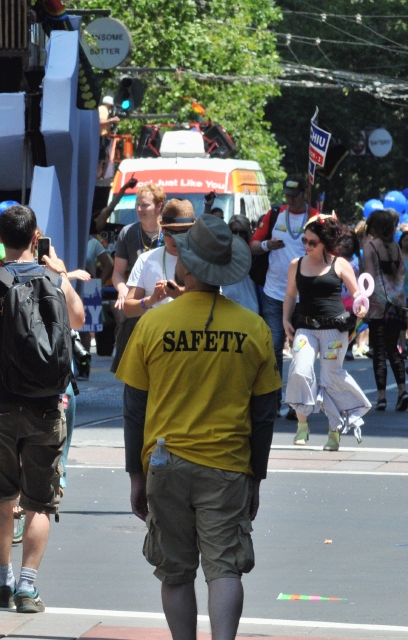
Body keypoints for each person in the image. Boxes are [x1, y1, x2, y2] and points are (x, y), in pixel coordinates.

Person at [117, 216, 279, 640]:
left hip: (166, 464)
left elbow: (134, 408)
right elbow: (264, 414)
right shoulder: (253, 328)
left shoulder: (152, 325)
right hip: (227, 466)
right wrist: (255, 478)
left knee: (175, 571)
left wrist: (136, 474)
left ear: (187, 267)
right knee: (224, 568)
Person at [0, 205, 85, 613]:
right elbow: (79, 321)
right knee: (39, 501)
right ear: (35, 237)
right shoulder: (55, 279)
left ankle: (3, 579)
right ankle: (28, 587)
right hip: (47, 404)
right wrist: (61, 274)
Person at [283, 216, 371, 450]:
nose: (307, 246)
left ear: (325, 243)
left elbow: (356, 294)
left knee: (330, 378)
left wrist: (360, 306)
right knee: (300, 370)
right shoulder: (296, 264)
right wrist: (285, 319)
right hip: (306, 327)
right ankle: (302, 424)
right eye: (305, 241)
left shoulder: (339, 264)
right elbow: (291, 295)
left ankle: (334, 429)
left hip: (334, 329)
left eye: (312, 242)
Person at [250, 173, 318, 379]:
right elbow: (252, 246)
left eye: (295, 195)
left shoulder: (315, 216)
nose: (290, 199)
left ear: (305, 192)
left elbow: (331, 252)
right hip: (275, 294)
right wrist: (266, 245)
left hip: (304, 295)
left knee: (302, 351)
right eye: (287, 195)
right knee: (273, 347)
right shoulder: (274, 214)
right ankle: (274, 399)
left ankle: (297, 403)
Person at [111, 182, 165, 371]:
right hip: (138, 303)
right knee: (131, 367)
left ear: (159, 207)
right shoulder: (128, 233)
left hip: (164, 305)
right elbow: (117, 273)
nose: (139, 209)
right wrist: (122, 288)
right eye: (138, 205)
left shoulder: (169, 232)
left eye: (145, 205)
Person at [361, 209, 407, 411]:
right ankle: (402, 390)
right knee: (393, 349)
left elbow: (370, 278)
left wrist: (364, 302)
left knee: (379, 351)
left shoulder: (371, 246)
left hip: (379, 306)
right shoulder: (396, 247)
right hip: (397, 305)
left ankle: (381, 398)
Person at [122, 200, 195, 319]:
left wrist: (181, 294)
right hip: (159, 333)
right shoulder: (146, 259)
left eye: (182, 232)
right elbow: (128, 309)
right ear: (163, 230)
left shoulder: (203, 259)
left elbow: (215, 301)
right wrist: (151, 300)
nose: (175, 239)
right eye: (170, 232)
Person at [221, 216, 261, 314]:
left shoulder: (255, 256)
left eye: (242, 232)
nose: (238, 235)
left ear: (247, 234)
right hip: (226, 307)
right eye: (234, 231)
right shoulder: (221, 253)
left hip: (249, 308)